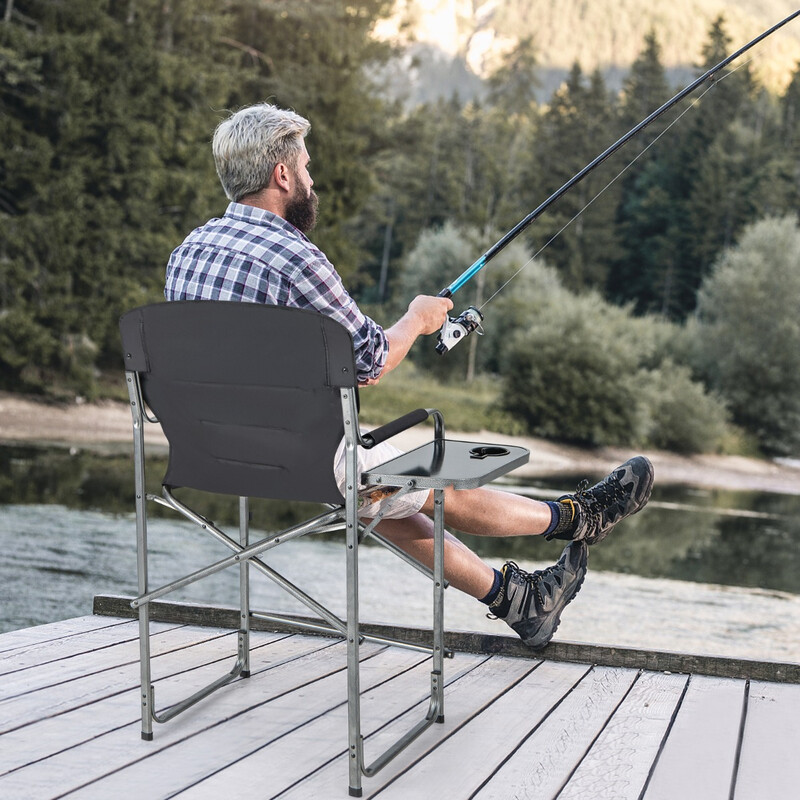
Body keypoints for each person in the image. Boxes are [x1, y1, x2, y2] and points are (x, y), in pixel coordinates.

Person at [165, 103, 654, 649]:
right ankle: (577, 517)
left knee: (379, 495)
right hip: (293, 462)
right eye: (305, 166)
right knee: (422, 482)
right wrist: (417, 320)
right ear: (282, 175)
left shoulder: (188, 252)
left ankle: (519, 601)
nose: (311, 178)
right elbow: (370, 362)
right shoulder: (295, 256)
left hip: (203, 456)